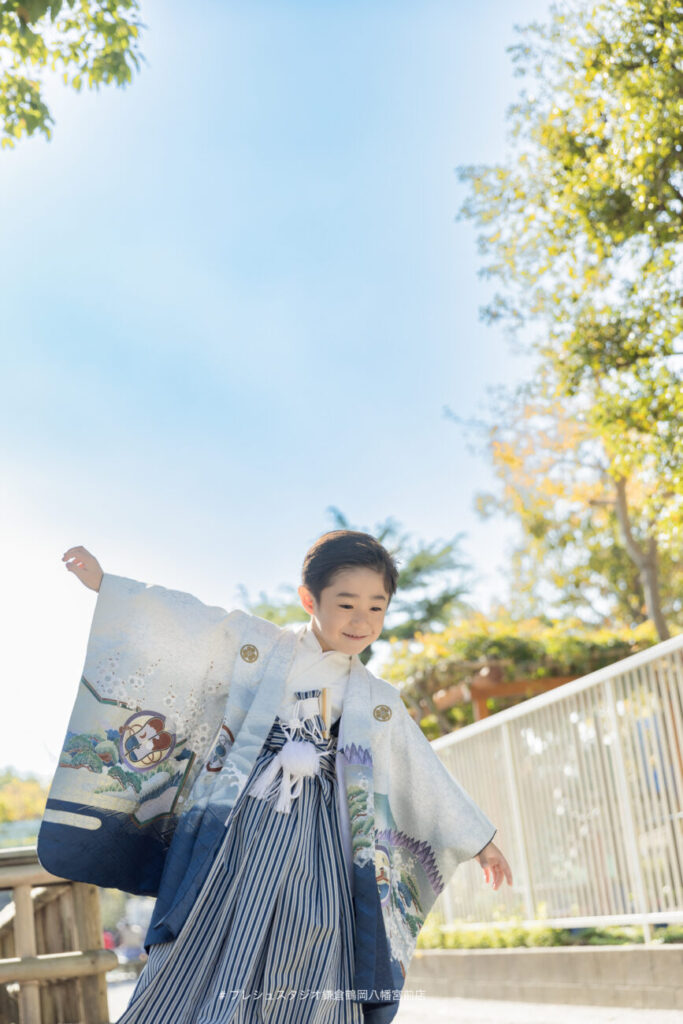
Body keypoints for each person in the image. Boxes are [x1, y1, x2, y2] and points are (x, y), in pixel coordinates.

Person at [40, 532, 512, 1024]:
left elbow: (421, 768)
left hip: (324, 840)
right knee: (213, 929)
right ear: (310, 599)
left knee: (319, 931)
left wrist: (479, 838)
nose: (361, 621)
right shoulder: (261, 647)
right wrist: (109, 587)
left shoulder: (377, 698)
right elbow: (191, 625)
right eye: (346, 603)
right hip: (242, 828)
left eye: (377, 607)